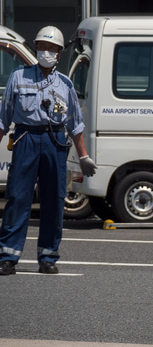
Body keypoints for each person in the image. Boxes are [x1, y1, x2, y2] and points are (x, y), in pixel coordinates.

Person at [0, 26, 96, 276]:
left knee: (53, 200)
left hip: (55, 142)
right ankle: (8, 256)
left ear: (60, 54)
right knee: (18, 197)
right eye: (42, 47)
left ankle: (48, 256)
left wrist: (83, 156)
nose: (46, 52)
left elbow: (75, 124)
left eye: (52, 49)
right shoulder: (18, 77)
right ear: (36, 48)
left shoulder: (65, 84)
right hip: (26, 138)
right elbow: (3, 119)